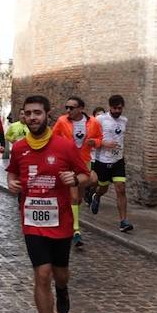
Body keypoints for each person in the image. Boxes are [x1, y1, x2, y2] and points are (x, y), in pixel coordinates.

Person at [7, 95, 90, 313]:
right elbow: (11, 171)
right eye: (28, 113)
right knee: (42, 274)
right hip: (32, 222)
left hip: (61, 223)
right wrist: (11, 182)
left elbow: (89, 175)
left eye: (37, 113)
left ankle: (63, 289)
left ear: (47, 115)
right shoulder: (19, 148)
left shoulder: (64, 147)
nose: (33, 118)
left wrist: (74, 179)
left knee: (59, 273)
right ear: (23, 116)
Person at [52, 96, 101, 250]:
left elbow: (100, 138)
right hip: (68, 162)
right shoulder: (62, 121)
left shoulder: (93, 122)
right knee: (73, 197)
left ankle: (67, 216)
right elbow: (53, 138)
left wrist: (96, 142)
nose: (68, 111)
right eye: (67, 107)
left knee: (79, 197)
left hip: (84, 162)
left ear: (81, 108)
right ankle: (76, 231)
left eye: (71, 108)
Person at [89, 95, 134, 232]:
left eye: (119, 108)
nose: (117, 111)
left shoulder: (124, 120)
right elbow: (89, 139)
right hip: (102, 161)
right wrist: (103, 143)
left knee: (121, 189)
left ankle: (123, 221)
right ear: (109, 107)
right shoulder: (99, 120)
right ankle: (96, 196)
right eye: (114, 108)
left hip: (118, 161)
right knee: (103, 188)